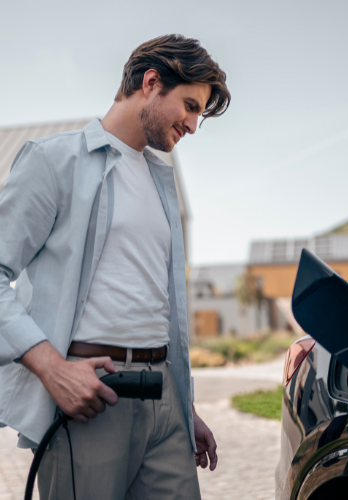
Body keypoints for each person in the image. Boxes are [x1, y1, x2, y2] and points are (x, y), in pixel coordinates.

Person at [0, 34, 230, 499]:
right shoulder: (53, 162)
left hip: (162, 398)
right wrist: (51, 369)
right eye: (189, 106)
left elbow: (155, 302)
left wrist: (184, 406)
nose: (192, 125)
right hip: (90, 398)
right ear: (151, 82)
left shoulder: (162, 182)